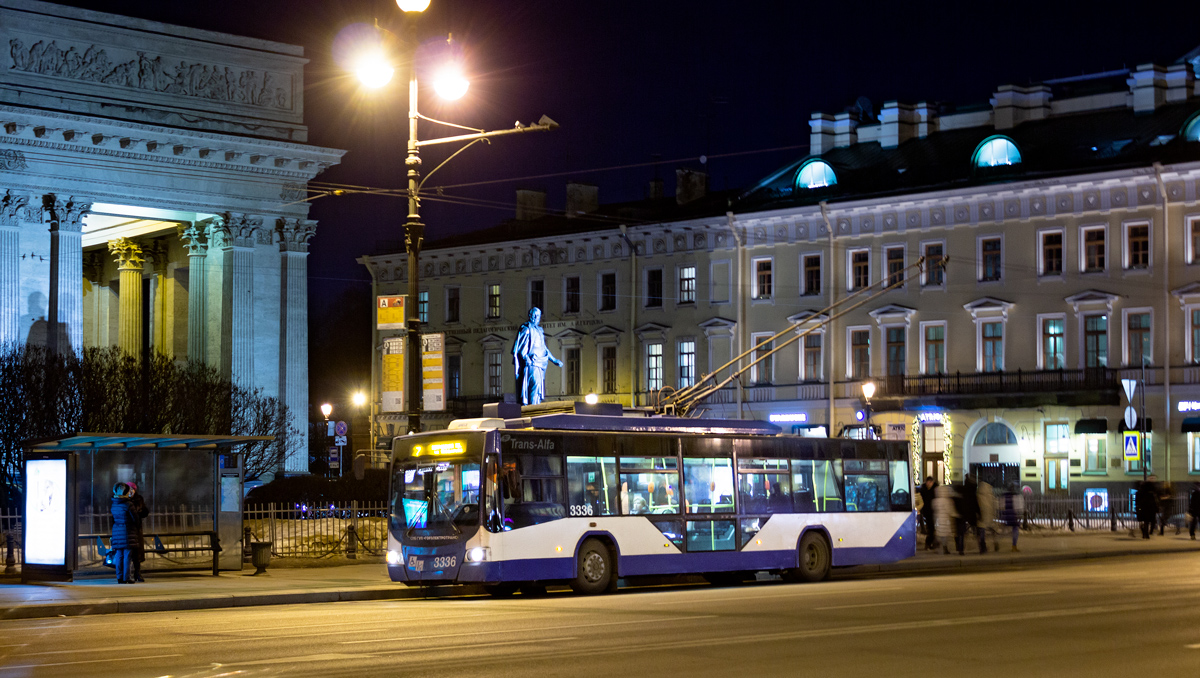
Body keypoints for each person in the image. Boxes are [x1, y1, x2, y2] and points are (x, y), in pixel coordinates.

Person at [512, 307, 562, 406]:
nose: (536, 317)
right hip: (532, 363)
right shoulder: (526, 329)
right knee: (534, 386)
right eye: (534, 315)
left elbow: (544, 348)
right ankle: (532, 412)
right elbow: (521, 349)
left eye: (538, 315)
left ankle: (534, 410)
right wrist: (527, 359)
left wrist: (554, 360)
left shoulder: (539, 330)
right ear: (530, 316)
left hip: (540, 363)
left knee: (538, 388)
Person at [109, 483, 138, 584]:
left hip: (117, 531)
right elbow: (135, 518)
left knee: (119, 555)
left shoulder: (114, 504)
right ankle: (127, 577)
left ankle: (119, 577)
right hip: (127, 531)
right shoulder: (128, 504)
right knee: (127, 555)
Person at [128, 482, 150, 582]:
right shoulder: (124, 500)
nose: (131, 491)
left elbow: (145, 512)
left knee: (137, 552)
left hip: (137, 529)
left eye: (133, 489)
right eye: (129, 489)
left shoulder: (139, 499)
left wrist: (141, 512)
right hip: (127, 529)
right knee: (128, 552)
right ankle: (127, 573)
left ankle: (137, 572)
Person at [933, 483, 957, 555]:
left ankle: (937, 544)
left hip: (938, 519)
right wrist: (956, 515)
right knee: (945, 535)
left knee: (939, 533)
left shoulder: (936, 501)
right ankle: (944, 547)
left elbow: (934, 509)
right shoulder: (947, 501)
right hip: (946, 520)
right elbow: (950, 511)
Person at [1000, 485, 1024, 551]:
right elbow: (1018, 508)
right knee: (1015, 529)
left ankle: (997, 542)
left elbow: (1001, 507)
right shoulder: (1016, 497)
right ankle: (1014, 545)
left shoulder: (1004, 497)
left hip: (1006, 516)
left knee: (1003, 530)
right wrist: (1019, 515)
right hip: (1013, 516)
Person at [918, 476, 937, 551]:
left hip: (933, 511)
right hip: (927, 511)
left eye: (930, 482)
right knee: (931, 528)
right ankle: (929, 543)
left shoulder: (934, 489)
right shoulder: (923, 490)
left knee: (932, 529)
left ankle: (930, 543)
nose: (928, 484)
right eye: (928, 482)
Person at [977, 479, 996, 554]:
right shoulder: (990, 496)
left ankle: (983, 547)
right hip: (989, 516)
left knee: (982, 532)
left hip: (981, 517)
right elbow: (994, 506)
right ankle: (995, 543)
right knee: (991, 530)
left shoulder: (979, 496)